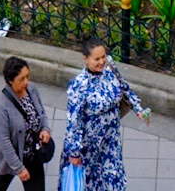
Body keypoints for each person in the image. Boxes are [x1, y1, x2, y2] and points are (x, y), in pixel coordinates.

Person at [62, 39, 146, 191]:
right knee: (91, 185)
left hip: (111, 140)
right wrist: (74, 151)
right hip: (90, 147)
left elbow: (123, 85)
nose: (102, 62)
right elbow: (74, 121)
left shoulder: (109, 67)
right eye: (97, 59)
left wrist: (137, 108)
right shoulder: (79, 85)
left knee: (114, 182)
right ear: (85, 59)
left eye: (103, 57)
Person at [0, 57, 53, 191]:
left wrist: (45, 129)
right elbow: (4, 141)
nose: (26, 82)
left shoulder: (32, 90)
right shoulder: (1, 106)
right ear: (10, 81)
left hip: (32, 154)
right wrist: (18, 168)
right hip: (11, 158)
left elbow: (41, 113)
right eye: (21, 79)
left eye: (27, 77)